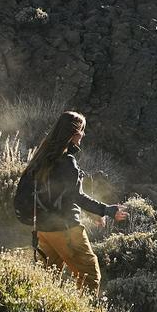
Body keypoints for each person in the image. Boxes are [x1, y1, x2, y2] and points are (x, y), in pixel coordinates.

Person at [23, 111, 127, 292]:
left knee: (47, 278)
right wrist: (107, 210)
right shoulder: (67, 162)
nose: (83, 135)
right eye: (82, 131)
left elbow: (61, 194)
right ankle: (82, 310)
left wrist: (91, 213)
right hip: (66, 229)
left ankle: (42, 309)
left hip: (43, 228)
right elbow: (76, 196)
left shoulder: (43, 156)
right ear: (73, 133)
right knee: (90, 275)